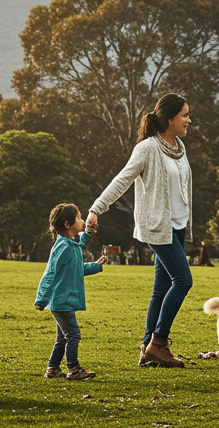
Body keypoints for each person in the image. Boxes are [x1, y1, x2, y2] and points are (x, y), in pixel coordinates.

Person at [86, 93, 194, 369]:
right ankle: (159, 343)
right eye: (184, 115)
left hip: (178, 226)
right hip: (158, 226)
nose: (189, 120)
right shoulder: (147, 148)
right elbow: (123, 178)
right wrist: (96, 209)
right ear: (170, 118)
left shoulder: (179, 147)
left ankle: (147, 348)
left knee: (161, 289)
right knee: (182, 281)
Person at [35, 203, 108, 380]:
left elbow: (77, 268)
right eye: (79, 218)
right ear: (68, 224)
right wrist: (41, 299)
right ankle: (73, 369)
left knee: (63, 338)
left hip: (65, 301)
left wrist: (96, 266)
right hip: (61, 302)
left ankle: (52, 369)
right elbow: (50, 272)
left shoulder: (71, 244)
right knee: (73, 335)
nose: (82, 220)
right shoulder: (63, 247)